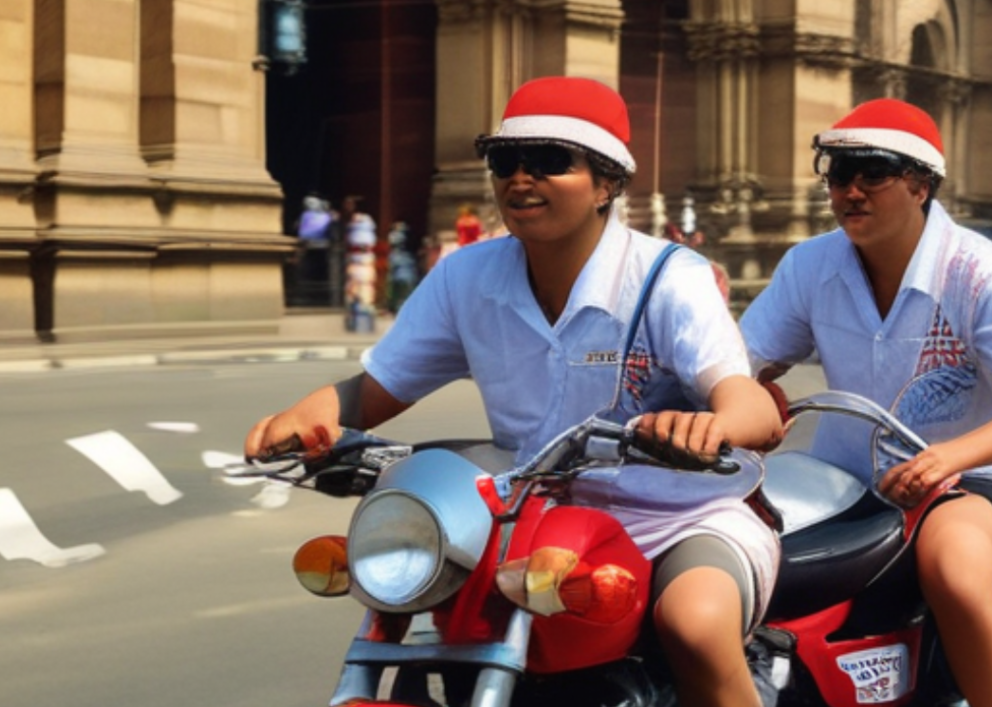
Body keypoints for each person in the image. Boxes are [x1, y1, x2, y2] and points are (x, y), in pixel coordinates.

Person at [246, 76, 783, 707]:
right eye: (506, 161)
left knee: (694, 626)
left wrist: (711, 428)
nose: (521, 180)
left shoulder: (668, 277)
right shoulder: (467, 277)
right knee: (425, 619)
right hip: (526, 524)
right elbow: (373, 391)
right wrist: (305, 418)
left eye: (552, 161)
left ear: (606, 183)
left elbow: (750, 407)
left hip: (675, 519)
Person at [740, 97, 992, 707]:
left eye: (872, 174)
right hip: (840, 484)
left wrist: (950, 458)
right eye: (838, 176)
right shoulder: (810, 265)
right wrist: (742, 399)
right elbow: (737, 363)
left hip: (966, 481)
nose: (851, 192)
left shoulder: (975, 271)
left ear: (921, 185)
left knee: (956, 563)